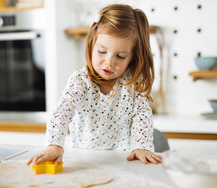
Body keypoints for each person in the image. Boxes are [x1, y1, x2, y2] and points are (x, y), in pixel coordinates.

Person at [28, 4, 162, 166]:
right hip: (83, 158)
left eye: (120, 56)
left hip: (122, 159)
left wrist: (141, 146)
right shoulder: (80, 81)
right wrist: (54, 145)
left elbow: (142, 115)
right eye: (102, 52)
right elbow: (61, 113)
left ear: (132, 58)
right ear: (92, 44)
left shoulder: (133, 82)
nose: (109, 62)